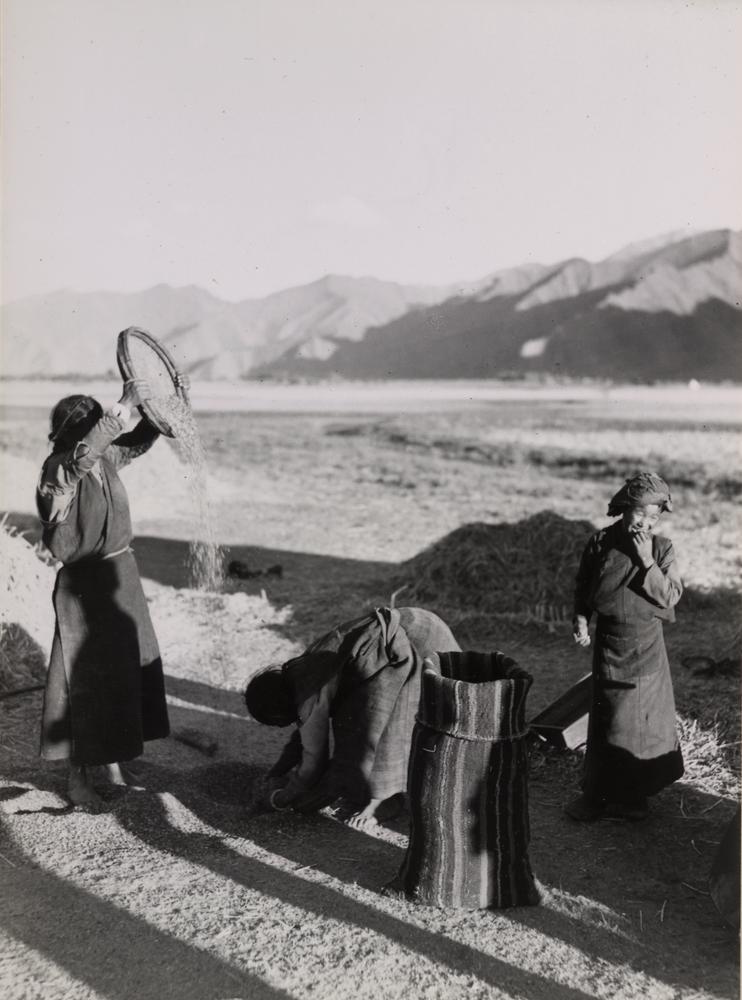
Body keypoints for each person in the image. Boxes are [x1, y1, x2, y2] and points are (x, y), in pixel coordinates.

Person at [36, 374, 187, 807]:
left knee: (124, 671)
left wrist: (162, 408)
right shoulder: (58, 471)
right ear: (72, 433)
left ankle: (115, 761)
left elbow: (136, 441)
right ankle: (78, 778)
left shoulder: (103, 460)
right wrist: (124, 403)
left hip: (121, 576)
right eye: (95, 425)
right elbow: (83, 457)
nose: (101, 433)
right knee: (82, 681)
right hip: (85, 588)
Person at [244, 606, 461, 827]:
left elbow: (313, 761)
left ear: (280, 712)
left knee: (373, 724)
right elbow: (302, 736)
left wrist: (284, 796)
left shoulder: (307, 697)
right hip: (419, 622)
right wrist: (277, 771)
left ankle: (382, 800)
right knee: (360, 712)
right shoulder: (303, 667)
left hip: (417, 648)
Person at [566, 472, 684, 822]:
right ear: (624, 509)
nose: (645, 522)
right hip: (610, 644)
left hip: (646, 647)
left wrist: (646, 560)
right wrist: (581, 618)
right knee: (607, 720)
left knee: (641, 725)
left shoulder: (662, 549)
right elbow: (584, 585)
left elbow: (670, 595)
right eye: (640, 514)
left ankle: (635, 799)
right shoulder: (601, 542)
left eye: (653, 517)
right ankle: (597, 797)